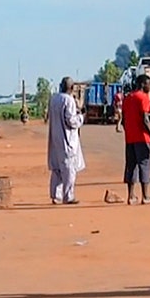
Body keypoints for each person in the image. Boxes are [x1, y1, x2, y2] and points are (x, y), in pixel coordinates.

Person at [46, 77, 86, 205]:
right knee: (69, 168)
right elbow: (71, 121)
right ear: (72, 88)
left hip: (55, 139)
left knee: (57, 168)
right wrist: (81, 117)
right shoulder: (68, 100)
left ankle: (56, 195)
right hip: (67, 140)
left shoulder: (54, 98)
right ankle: (68, 196)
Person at [122, 75, 150, 204]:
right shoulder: (143, 98)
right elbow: (145, 119)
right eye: (149, 84)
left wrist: (129, 132)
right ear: (143, 84)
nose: (149, 87)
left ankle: (131, 196)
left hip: (129, 139)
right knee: (144, 166)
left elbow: (123, 121)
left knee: (130, 166)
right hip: (143, 138)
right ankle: (145, 196)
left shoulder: (127, 99)